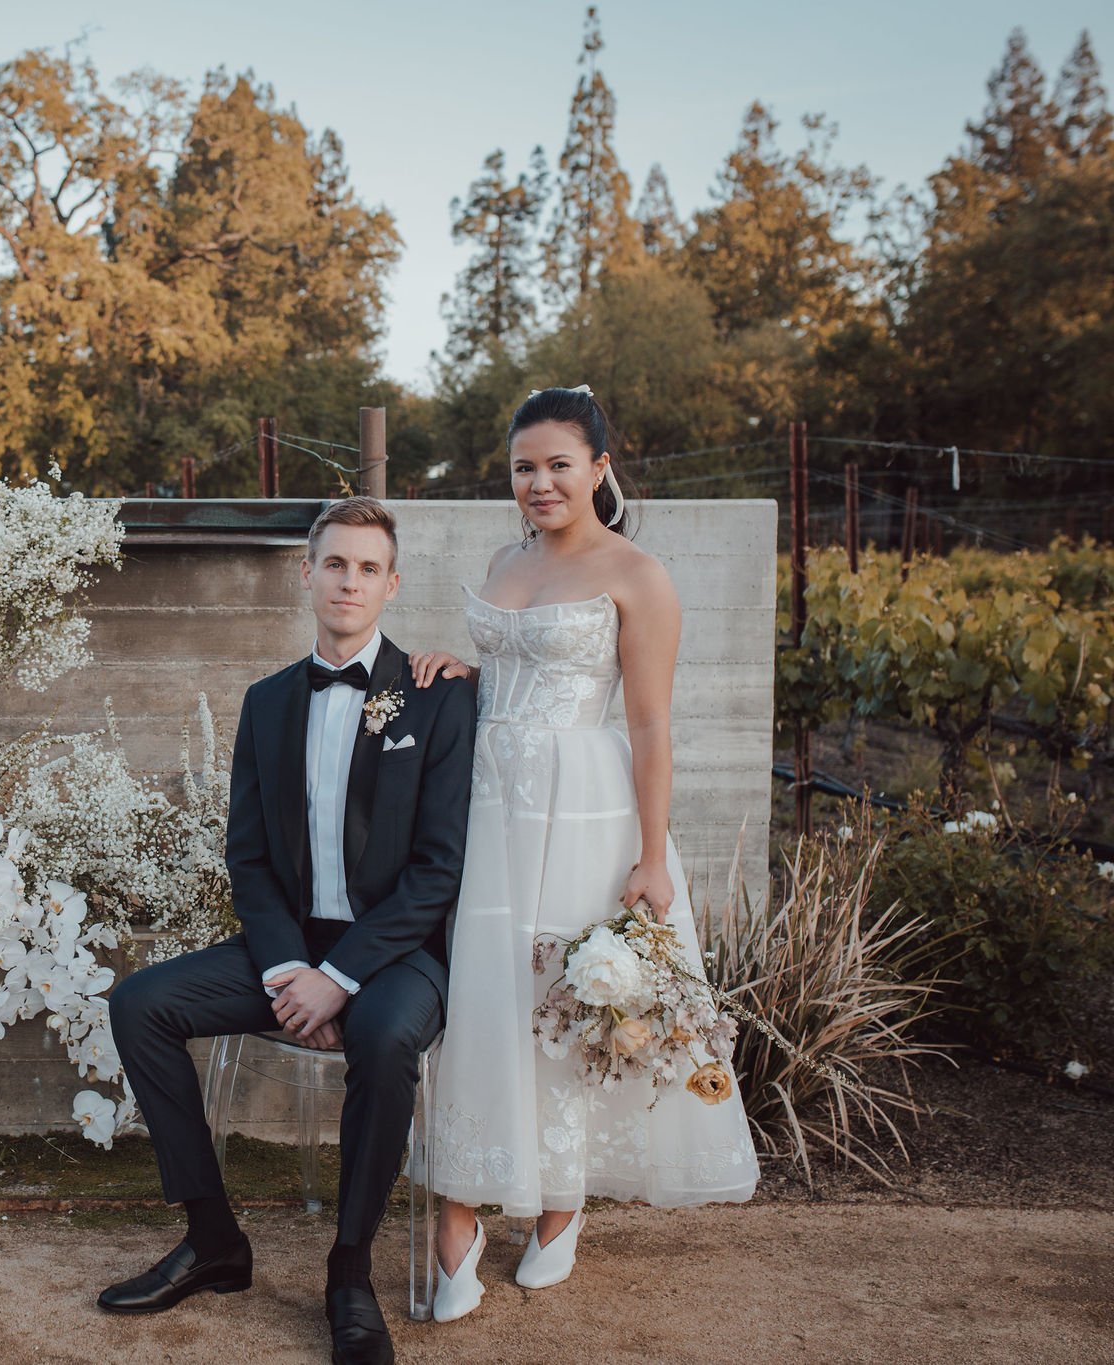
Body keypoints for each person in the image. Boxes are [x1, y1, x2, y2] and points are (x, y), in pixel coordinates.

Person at [408, 386, 759, 1323]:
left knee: (563, 996)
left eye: (560, 463)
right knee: (481, 992)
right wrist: (465, 668)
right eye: (525, 466)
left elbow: (647, 722)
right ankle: (461, 1213)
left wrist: (652, 858)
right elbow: (518, 673)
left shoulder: (637, 574)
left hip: (587, 809)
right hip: (487, 807)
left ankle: (560, 1206)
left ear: (600, 467)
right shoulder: (502, 559)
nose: (540, 482)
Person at [99, 496, 475, 1365]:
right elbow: (250, 858)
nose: (349, 581)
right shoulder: (267, 701)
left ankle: (350, 1269)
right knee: (139, 1003)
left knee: (383, 1041)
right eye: (334, 563)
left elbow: (437, 872)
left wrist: (337, 977)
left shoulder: (436, 699)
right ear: (306, 573)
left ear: (391, 583)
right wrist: (286, 970)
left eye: (368, 568)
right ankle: (213, 1238)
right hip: (288, 948)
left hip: (399, 953)